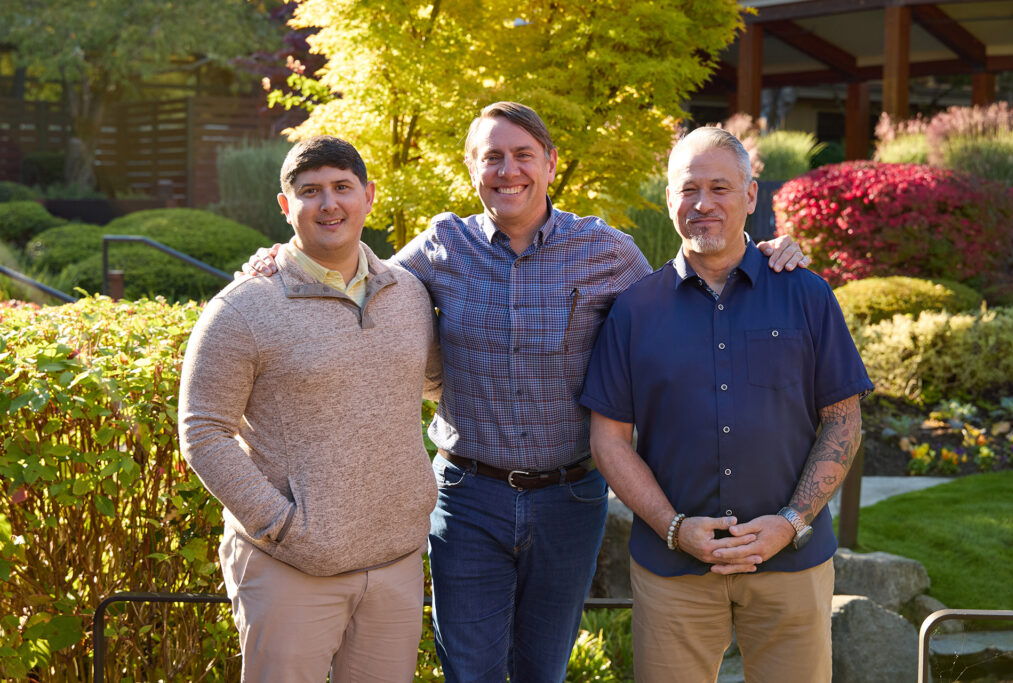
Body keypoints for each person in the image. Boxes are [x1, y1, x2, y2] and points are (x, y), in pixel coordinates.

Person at [244, 102, 809, 682]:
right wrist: (283, 259)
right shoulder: (442, 246)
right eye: (492, 157)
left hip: (570, 500)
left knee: (544, 671)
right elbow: (360, 282)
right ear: (472, 168)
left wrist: (761, 253)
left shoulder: (607, 252)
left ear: (550, 164)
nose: (507, 170)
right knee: (471, 672)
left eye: (523, 155)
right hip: (467, 499)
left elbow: (689, 295)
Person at [580, 126, 874, 683]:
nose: (703, 204)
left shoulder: (806, 294)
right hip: (672, 570)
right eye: (689, 189)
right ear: (669, 198)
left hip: (791, 564)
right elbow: (608, 440)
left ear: (751, 195)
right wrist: (674, 528)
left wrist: (790, 523)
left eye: (720, 188)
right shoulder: (634, 310)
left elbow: (843, 421)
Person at [178, 135, 442, 682]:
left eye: (343, 187)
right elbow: (203, 431)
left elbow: (437, 384)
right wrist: (281, 526)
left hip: (395, 563)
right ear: (285, 205)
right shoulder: (243, 308)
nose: (329, 204)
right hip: (290, 568)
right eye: (310, 191)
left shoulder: (410, 294)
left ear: (369, 196)